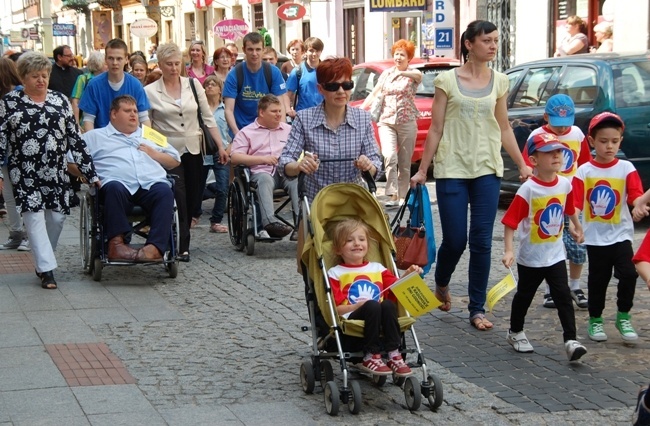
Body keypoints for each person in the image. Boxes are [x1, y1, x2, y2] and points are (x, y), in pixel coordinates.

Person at [411, 20, 533, 330]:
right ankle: (441, 280)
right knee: (455, 240)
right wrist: (423, 169)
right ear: (469, 44)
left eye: (495, 40)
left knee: (481, 240)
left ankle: (476, 308)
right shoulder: (446, 81)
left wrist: (521, 164)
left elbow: (504, 127)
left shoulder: (500, 81)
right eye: (487, 41)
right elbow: (436, 128)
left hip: (487, 169)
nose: (493, 46)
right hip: (452, 167)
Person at [0, 51, 99, 289]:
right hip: (24, 172)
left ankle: (45, 258)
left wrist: (90, 172)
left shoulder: (60, 101)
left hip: (55, 172)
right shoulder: (9, 103)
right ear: (24, 78)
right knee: (33, 218)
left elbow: (75, 139)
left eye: (44, 75)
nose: (41, 80)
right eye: (35, 76)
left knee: (56, 218)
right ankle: (47, 270)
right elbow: (0, 140)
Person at [501, 133, 587, 361]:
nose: (556, 155)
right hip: (531, 257)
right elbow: (510, 222)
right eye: (549, 152)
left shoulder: (565, 184)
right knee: (525, 295)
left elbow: (569, 209)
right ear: (534, 160)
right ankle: (515, 331)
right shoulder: (528, 190)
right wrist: (509, 250)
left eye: (558, 151)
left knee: (562, 295)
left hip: (555, 254)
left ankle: (571, 340)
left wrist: (575, 227)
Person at [145, 42, 228, 262]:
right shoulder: (150, 91)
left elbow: (208, 118)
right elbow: (148, 127)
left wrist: (220, 145)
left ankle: (182, 235)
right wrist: (156, 147)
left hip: (194, 148)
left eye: (177, 63)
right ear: (160, 65)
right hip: (168, 151)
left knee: (193, 199)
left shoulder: (193, 85)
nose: (173, 68)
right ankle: (182, 246)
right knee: (179, 194)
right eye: (168, 64)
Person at [573, 112, 643, 342]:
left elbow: (635, 196)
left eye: (615, 141)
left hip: (621, 234)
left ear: (621, 140)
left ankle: (623, 315)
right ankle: (596, 319)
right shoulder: (584, 171)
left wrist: (638, 207)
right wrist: (575, 225)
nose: (609, 146)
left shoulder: (626, 168)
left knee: (629, 274)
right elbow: (574, 202)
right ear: (592, 141)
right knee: (598, 280)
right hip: (594, 237)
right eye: (603, 141)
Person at [82, 96, 179, 262]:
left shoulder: (150, 135)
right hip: (117, 186)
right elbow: (71, 161)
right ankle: (116, 245)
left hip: (150, 184)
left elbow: (175, 160)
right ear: (113, 114)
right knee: (113, 187)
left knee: (165, 191)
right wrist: (87, 174)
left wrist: (154, 154)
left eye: (135, 111)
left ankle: (154, 248)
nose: (133, 114)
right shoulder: (93, 137)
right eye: (127, 111)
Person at [279, 57, 383, 205]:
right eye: (333, 86)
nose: (341, 91)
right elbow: (285, 162)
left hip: (353, 202)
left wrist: (368, 166)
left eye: (347, 85)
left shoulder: (363, 118)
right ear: (320, 89)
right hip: (317, 204)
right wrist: (299, 166)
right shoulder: (304, 119)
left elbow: (376, 166)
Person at [521, 94, 591, 309]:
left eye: (566, 125)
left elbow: (586, 163)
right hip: (546, 198)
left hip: (571, 197)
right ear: (545, 117)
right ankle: (550, 290)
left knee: (578, 246)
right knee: (551, 242)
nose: (561, 130)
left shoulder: (577, 134)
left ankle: (575, 285)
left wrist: (583, 193)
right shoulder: (537, 135)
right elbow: (526, 163)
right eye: (557, 125)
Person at [327, 218, 422, 376]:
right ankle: (371, 354)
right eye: (349, 240)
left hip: (381, 314)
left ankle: (393, 353)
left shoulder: (377, 268)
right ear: (338, 249)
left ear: (368, 245)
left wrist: (409, 274)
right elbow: (336, 308)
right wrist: (357, 306)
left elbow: (396, 288)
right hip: (353, 316)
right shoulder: (335, 273)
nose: (357, 243)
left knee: (388, 305)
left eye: (362, 239)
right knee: (372, 305)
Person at [361, 39, 422, 208]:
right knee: (389, 156)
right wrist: (360, 109)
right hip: (386, 120)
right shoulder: (386, 73)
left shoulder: (413, 73)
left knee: (404, 161)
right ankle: (392, 194)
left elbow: (419, 76)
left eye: (402, 54)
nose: (398, 57)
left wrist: (402, 74)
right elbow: (374, 93)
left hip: (407, 121)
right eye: (396, 54)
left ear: (408, 57)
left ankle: (402, 196)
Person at [230, 94, 298, 239]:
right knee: (265, 179)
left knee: (298, 182)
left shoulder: (289, 130)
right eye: (274, 111)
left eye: (280, 111)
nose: (279, 114)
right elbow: (235, 157)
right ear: (262, 112)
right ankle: (270, 223)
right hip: (261, 172)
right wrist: (262, 159)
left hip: (286, 171)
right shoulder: (247, 132)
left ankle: (301, 225)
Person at [223, 32, 288, 138]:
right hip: (242, 131)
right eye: (250, 49)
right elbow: (229, 110)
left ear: (263, 50)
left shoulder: (273, 72)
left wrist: (281, 132)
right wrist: (237, 134)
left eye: (258, 49)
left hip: (268, 131)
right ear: (244, 50)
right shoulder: (234, 74)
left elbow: (280, 106)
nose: (254, 53)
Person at [79, 38, 151, 132]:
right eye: (111, 58)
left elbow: (144, 118)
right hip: (102, 140)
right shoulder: (94, 85)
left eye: (119, 59)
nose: (115, 63)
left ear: (126, 60)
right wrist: (93, 143)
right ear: (105, 59)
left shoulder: (135, 85)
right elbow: (88, 120)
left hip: (130, 140)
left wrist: (146, 142)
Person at [0, 57, 29, 251]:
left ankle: (28, 234)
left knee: (25, 194)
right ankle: (16, 233)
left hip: (22, 152)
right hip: (6, 152)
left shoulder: (19, 95)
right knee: (9, 195)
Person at [200, 76, 230, 234]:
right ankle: (193, 215)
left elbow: (233, 135)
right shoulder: (199, 110)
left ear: (220, 89)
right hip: (203, 153)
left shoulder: (226, 110)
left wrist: (227, 150)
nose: (210, 86)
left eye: (213, 84)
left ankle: (216, 220)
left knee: (223, 188)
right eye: (207, 84)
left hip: (222, 153)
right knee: (196, 187)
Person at [286, 37, 324, 118]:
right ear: (305, 52)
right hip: (303, 116)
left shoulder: (327, 70)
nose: (314, 54)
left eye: (317, 51)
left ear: (321, 51)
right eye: (311, 51)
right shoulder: (298, 71)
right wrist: (288, 110)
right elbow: (287, 94)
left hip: (323, 116)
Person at [71, 51, 106, 124]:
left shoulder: (108, 79)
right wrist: (76, 123)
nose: (108, 66)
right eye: (105, 64)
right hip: (85, 123)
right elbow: (75, 102)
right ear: (98, 64)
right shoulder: (83, 79)